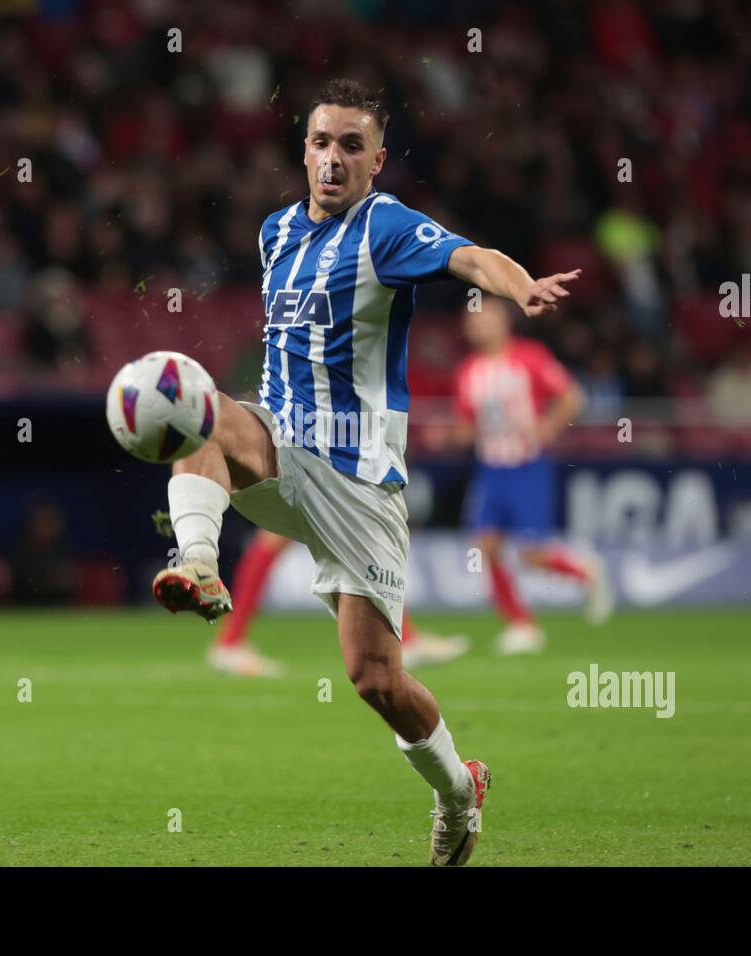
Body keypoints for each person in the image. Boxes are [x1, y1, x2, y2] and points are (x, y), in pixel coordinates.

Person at [149, 79, 582, 865]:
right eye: (321, 142)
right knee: (197, 413)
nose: (334, 158)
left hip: (359, 478)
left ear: (376, 161)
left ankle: (460, 790)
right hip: (284, 445)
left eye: (352, 145)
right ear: (303, 151)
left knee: (377, 679)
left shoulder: (386, 225)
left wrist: (518, 285)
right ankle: (198, 566)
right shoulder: (275, 232)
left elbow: (467, 256)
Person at [449, 298, 614, 655]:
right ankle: (521, 625)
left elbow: (572, 396)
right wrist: (454, 435)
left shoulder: (530, 357)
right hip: (490, 469)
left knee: (531, 554)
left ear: (504, 323)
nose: (477, 325)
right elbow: (465, 425)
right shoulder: (467, 371)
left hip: (528, 465)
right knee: (486, 547)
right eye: (472, 320)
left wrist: (549, 426)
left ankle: (585, 573)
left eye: (485, 318)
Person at [208, 529, 470, 677]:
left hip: (306, 444)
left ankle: (406, 638)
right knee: (358, 534)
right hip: (305, 446)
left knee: (361, 537)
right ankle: (230, 642)